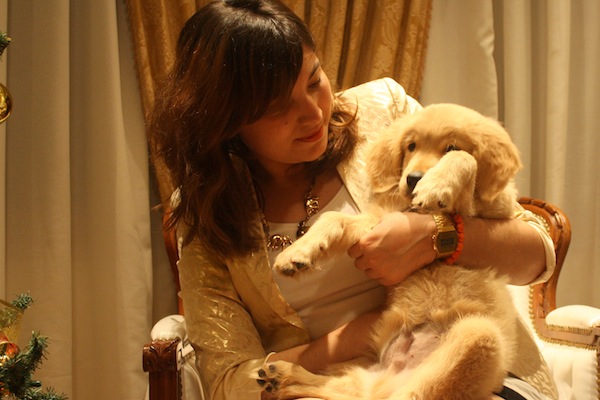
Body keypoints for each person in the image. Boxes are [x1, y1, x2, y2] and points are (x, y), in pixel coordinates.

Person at [150, 1, 558, 399]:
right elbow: (230, 383)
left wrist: (438, 235)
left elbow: (537, 256)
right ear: (226, 122)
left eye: (314, 81)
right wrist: (362, 334)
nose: (313, 114)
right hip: (348, 386)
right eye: (278, 107)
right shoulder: (208, 213)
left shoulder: (385, 114)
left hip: (473, 373)